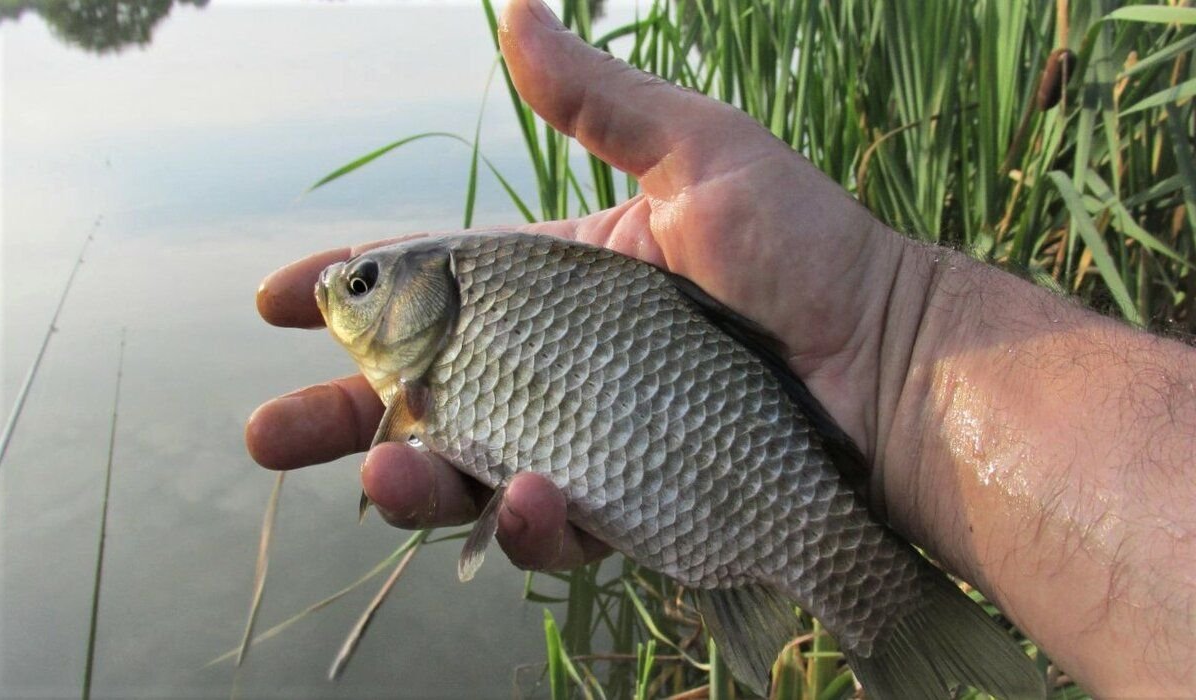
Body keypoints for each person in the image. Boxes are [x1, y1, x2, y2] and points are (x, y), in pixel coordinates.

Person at [245, 0, 1196, 694]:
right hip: (735, 474)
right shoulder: (445, 355)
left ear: (430, 296)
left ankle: (894, 619)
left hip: (756, 457)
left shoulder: (444, 360)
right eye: (360, 284)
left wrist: (898, 335)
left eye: (366, 283)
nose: (347, 290)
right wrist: (904, 337)